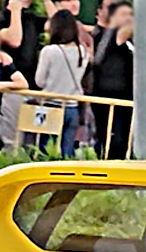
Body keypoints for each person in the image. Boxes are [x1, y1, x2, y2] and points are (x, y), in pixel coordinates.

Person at [33, 9, 88, 156]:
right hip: (72, 106)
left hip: (50, 106)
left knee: (45, 151)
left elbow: (39, 81)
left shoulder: (49, 51)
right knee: (67, 152)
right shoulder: (83, 52)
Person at [91, 0, 132, 158]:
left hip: (125, 99)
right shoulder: (111, 36)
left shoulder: (131, 43)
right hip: (108, 97)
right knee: (111, 139)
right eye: (124, 14)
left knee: (122, 139)